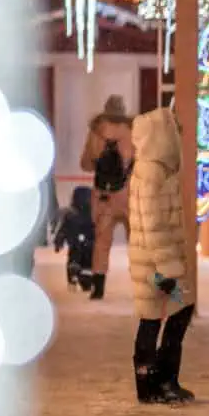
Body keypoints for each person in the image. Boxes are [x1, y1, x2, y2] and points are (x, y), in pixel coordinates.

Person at [128, 108, 196, 405]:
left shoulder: (156, 169)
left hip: (156, 262)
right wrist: (168, 269)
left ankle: (158, 381)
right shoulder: (152, 172)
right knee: (162, 317)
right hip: (157, 265)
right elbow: (152, 224)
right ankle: (157, 381)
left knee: (158, 317)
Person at [80, 94, 133, 300]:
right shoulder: (131, 131)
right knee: (137, 242)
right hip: (127, 194)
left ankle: (98, 287)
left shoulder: (96, 132)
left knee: (102, 242)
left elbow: (85, 164)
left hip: (103, 195)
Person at [53, 186, 96, 292]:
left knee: (83, 263)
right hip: (81, 246)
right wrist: (59, 241)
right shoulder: (72, 215)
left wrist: (59, 242)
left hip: (84, 246)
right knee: (79, 262)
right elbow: (63, 230)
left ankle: (81, 281)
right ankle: (77, 281)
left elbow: (63, 230)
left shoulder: (92, 215)